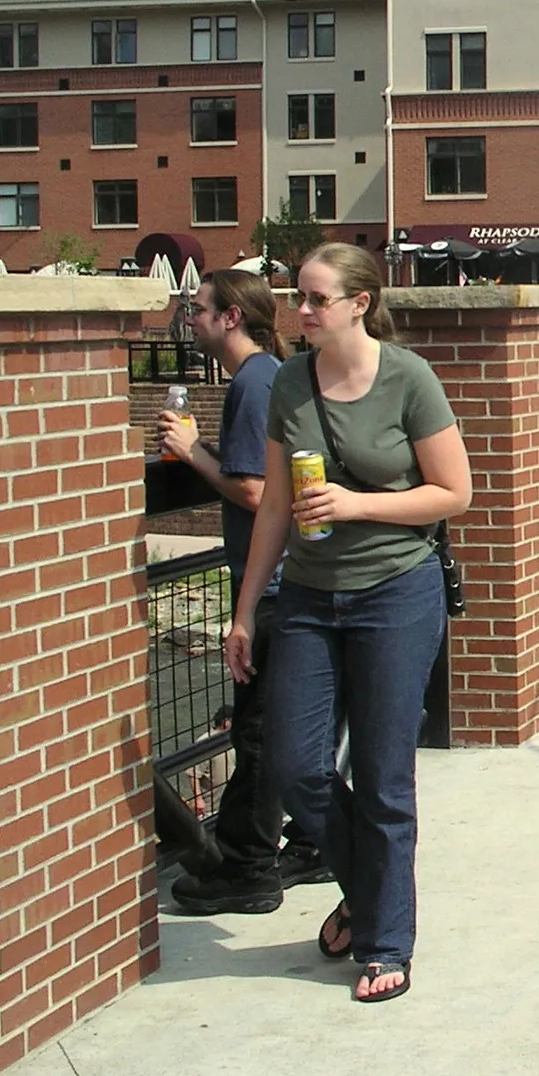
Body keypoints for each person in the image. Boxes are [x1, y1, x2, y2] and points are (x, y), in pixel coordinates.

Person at [226, 242, 472, 1004]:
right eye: (297, 296)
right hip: (306, 594)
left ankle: (384, 939)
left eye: (316, 298)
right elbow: (271, 502)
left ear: (359, 303)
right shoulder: (289, 384)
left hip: (396, 592)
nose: (301, 311)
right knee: (296, 765)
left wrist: (358, 503)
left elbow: (453, 492)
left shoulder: (407, 378)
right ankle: (371, 885)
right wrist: (243, 612)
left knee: (384, 773)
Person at [160, 269, 292, 916]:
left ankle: (248, 867)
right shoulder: (269, 375)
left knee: (259, 729)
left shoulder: (253, 382)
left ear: (231, 316)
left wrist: (191, 452)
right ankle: (310, 843)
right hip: (284, 581)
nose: (192, 318)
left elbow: (254, 491)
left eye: (200, 308)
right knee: (278, 723)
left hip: (268, 584)